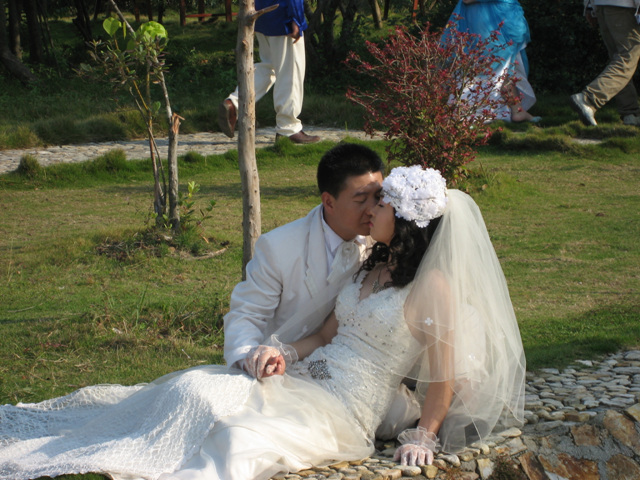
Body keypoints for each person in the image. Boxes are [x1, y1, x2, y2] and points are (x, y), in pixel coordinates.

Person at [0, 165, 526, 480]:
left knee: (239, 437)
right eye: (369, 201)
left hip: (344, 407)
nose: (372, 210)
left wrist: (425, 436)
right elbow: (326, 334)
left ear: (407, 221)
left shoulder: (433, 287)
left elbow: (445, 372)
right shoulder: (374, 261)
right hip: (303, 376)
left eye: (383, 204)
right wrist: (283, 352)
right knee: (196, 389)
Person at [223, 142, 422, 438]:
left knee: (391, 413)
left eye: (379, 197)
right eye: (360, 199)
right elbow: (246, 314)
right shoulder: (279, 247)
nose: (372, 209)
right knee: (245, 427)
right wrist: (251, 357)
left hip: (352, 377)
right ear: (329, 201)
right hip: (289, 366)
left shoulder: (386, 243)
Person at [217, 0, 320, 144]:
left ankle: (234, 103)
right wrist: (296, 18)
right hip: (283, 16)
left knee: (268, 67)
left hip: (262, 14)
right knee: (290, 72)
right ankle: (288, 128)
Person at [443, 0, 541, 123]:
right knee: (489, 66)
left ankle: (516, 110)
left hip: (500, 16)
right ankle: (470, 113)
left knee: (504, 66)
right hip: (489, 18)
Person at [569, 0, 640, 127]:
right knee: (627, 59)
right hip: (624, 7)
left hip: (603, 6)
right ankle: (589, 99)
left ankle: (630, 114)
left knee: (618, 60)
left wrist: (589, 6)